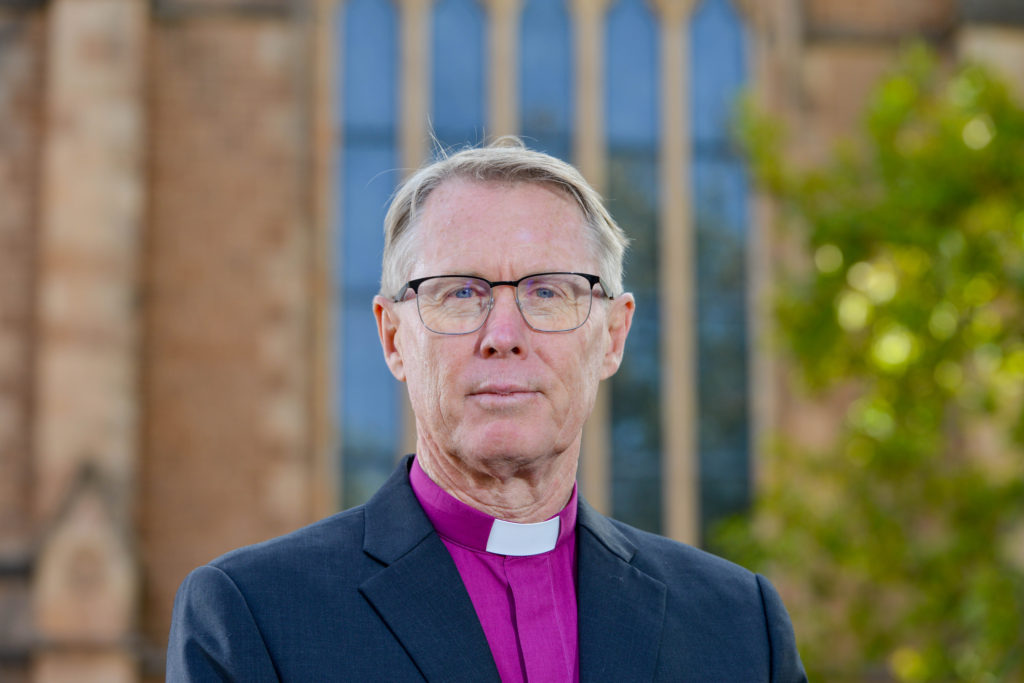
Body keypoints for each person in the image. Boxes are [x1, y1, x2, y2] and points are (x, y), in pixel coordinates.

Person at [167, 139, 807, 682]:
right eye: (459, 293)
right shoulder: (254, 615)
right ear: (393, 337)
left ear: (613, 336)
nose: (503, 334)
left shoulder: (738, 625)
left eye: (549, 292)